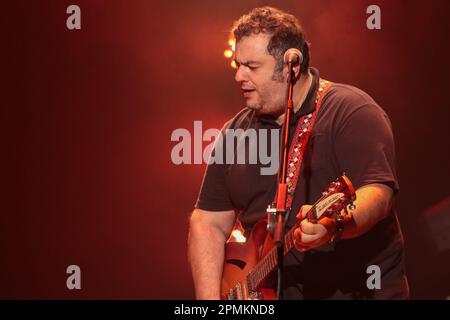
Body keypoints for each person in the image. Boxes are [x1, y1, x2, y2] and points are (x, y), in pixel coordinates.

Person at [188, 6, 409, 299]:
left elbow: (378, 195)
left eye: (252, 67)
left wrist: (335, 224)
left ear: (291, 66)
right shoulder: (234, 132)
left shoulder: (353, 112)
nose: (239, 75)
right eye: (238, 64)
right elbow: (207, 221)